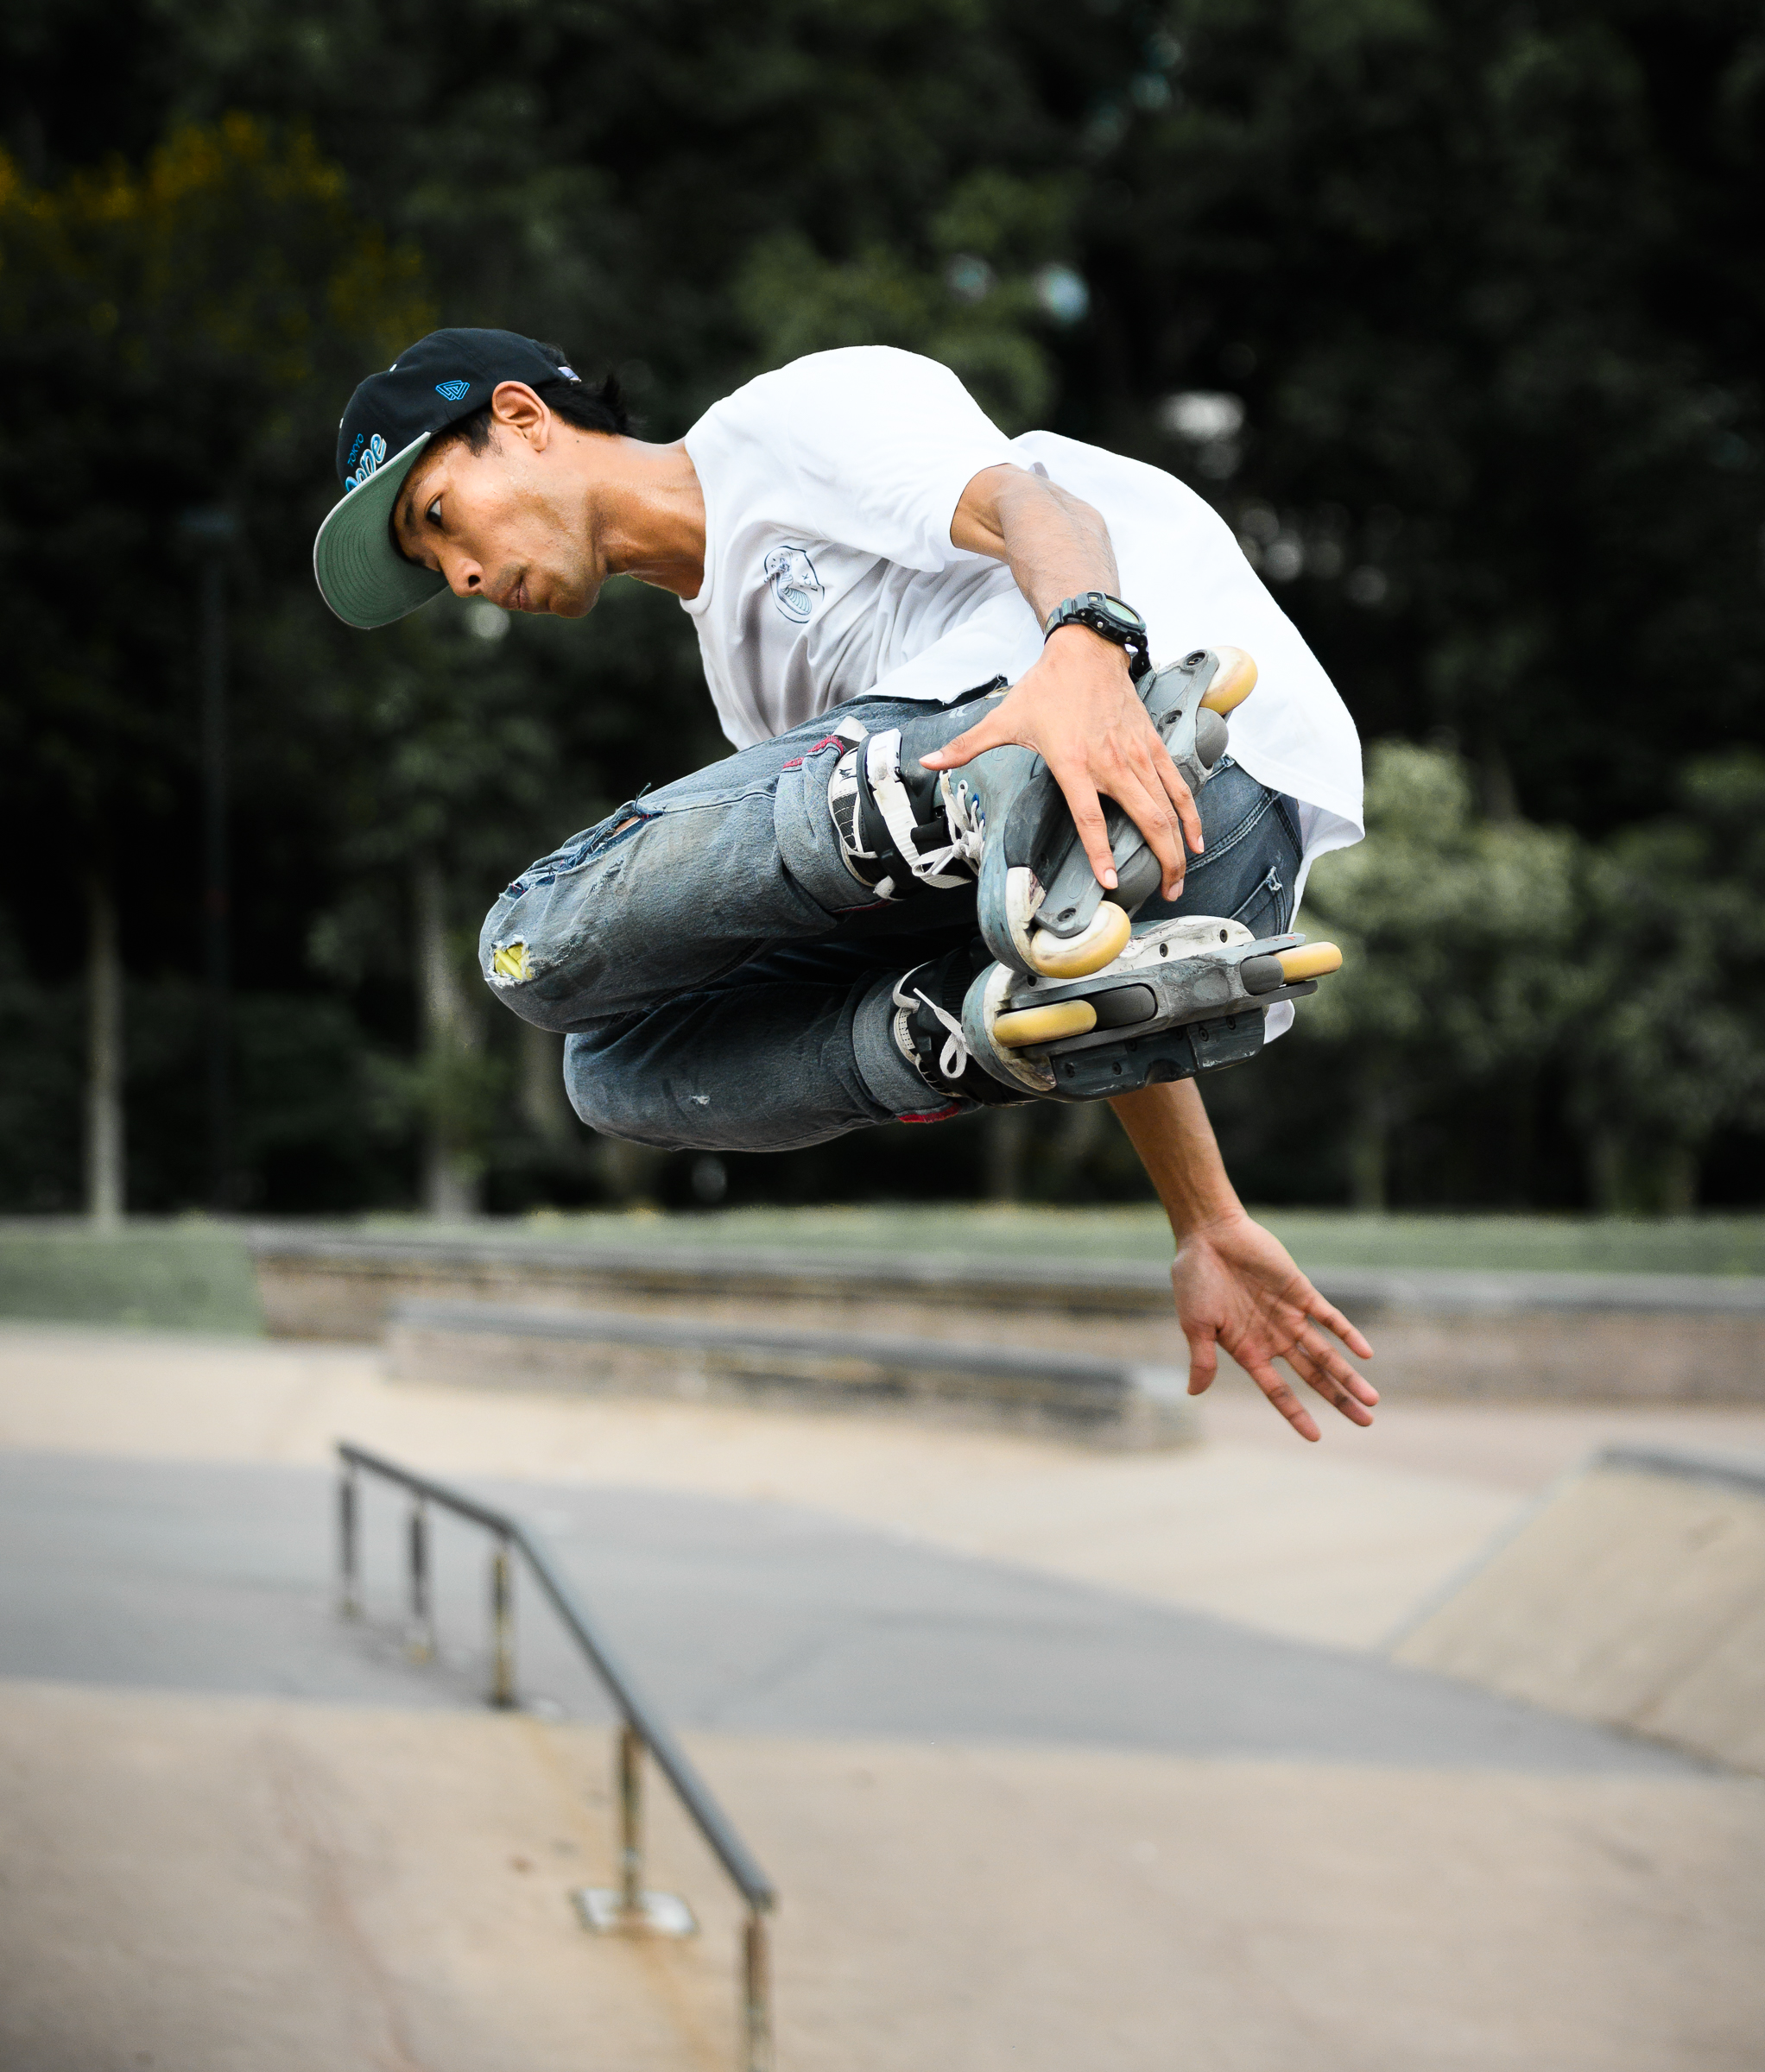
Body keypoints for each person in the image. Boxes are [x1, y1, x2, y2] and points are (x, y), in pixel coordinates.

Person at [313, 327, 1376, 1442]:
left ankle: (965, 791)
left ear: (524, 420)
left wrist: (1086, 651)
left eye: (439, 517)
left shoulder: (789, 420)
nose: (464, 574)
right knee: (609, 1068)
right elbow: (1075, 945)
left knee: (529, 943)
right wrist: (1205, 1220)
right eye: (437, 573)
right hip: (1203, 893)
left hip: (1179, 722)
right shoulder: (757, 692)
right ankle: (953, 1032)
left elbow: (1041, 510)